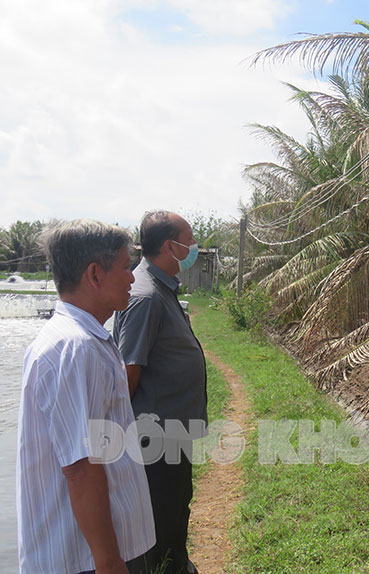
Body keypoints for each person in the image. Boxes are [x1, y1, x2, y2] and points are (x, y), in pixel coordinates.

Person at [16, 219, 155, 574]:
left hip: (90, 553)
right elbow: (81, 465)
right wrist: (108, 561)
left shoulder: (84, 340)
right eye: (126, 267)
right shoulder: (76, 349)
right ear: (95, 274)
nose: (132, 278)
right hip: (83, 558)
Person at [113, 211, 207, 574]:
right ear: (172, 246)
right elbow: (128, 374)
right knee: (162, 518)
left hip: (171, 434)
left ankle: (177, 564)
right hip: (156, 438)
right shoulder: (147, 296)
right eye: (190, 238)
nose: (195, 245)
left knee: (173, 509)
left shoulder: (160, 289)